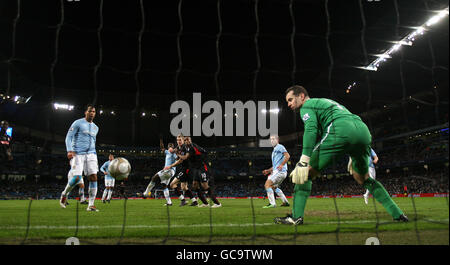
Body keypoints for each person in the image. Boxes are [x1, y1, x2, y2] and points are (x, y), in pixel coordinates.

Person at [275, 85, 408, 225]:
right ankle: (398, 214)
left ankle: (296, 218)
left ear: (301, 96)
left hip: (340, 129)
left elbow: (311, 130)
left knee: (302, 174)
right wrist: (353, 153)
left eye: (290, 100)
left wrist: (304, 160)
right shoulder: (325, 102)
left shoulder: (307, 106)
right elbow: (349, 125)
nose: (289, 104)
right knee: (363, 178)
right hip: (362, 131)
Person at [60, 104, 100, 212]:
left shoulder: (96, 127)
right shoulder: (78, 123)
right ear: (85, 112)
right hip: (78, 154)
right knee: (77, 178)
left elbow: (93, 141)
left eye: (94, 112)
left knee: (93, 177)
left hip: (91, 154)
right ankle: (64, 194)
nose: (92, 113)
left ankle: (91, 205)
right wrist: (69, 150)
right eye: (90, 111)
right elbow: (68, 137)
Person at [184, 136, 221, 208]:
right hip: (196, 168)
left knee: (204, 185)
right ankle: (205, 203)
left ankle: (217, 203)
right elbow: (203, 151)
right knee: (194, 185)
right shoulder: (189, 147)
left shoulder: (192, 147)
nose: (187, 141)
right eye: (186, 140)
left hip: (202, 168)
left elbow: (185, 157)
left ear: (190, 140)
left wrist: (177, 154)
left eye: (188, 140)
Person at [140, 139, 177, 206]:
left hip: (169, 171)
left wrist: (175, 152)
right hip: (170, 172)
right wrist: (160, 140)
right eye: (169, 146)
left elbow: (177, 159)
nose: (170, 147)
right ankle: (169, 202)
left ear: (173, 147)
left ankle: (145, 194)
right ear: (168, 147)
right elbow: (162, 148)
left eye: (171, 146)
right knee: (164, 186)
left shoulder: (174, 153)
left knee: (154, 178)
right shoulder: (167, 152)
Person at [167, 134, 198, 206]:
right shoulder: (179, 147)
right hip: (185, 168)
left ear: (183, 140)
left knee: (172, 184)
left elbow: (180, 160)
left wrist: (170, 166)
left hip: (186, 169)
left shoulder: (184, 148)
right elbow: (175, 151)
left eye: (180, 140)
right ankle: (194, 201)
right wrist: (171, 150)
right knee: (184, 187)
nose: (178, 141)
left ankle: (183, 200)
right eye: (177, 140)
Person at [261, 135, 290, 208]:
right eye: (271, 139)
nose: (272, 141)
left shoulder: (280, 147)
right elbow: (275, 166)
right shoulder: (274, 150)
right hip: (280, 172)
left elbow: (287, 156)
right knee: (274, 187)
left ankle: (272, 204)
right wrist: (268, 170)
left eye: (273, 139)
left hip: (280, 172)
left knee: (267, 184)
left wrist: (282, 165)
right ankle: (285, 202)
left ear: (277, 140)